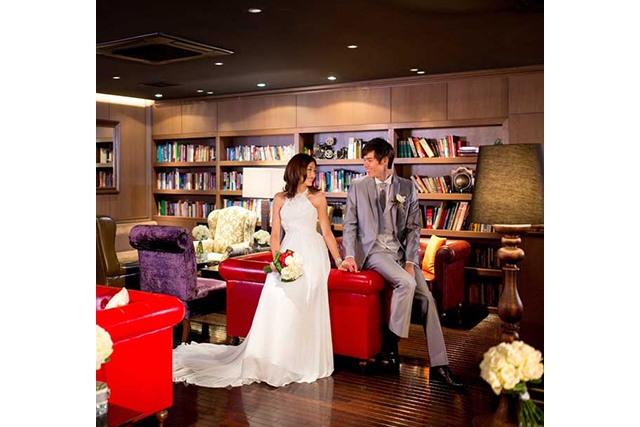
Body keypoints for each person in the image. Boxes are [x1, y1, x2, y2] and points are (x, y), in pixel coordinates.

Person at [173, 153, 344, 388]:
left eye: (315, 170)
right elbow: (275, 235)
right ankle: (274, 359)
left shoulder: (318, 198)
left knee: (306, 303)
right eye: (310, 170)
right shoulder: (280, 199)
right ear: (297, 170)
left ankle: (302, 361)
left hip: (313, 255)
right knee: (276, 299)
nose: (314, 175)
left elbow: (326, 232)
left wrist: (339, 260)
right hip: (288, 253)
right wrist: (278, 259)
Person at [339, 138, 464, 389]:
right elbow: (349, 224)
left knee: (428, 300)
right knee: (406, 283)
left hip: (399, 253)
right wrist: (349, 255)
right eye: (365, 160)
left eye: (369, 160)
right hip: (373, 252)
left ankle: (440, 365)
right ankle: (390, 344)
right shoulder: (357, 186)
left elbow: (413, 228)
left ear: (384, 161)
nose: (365, 165)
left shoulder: (406, 187)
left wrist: (410, 260)